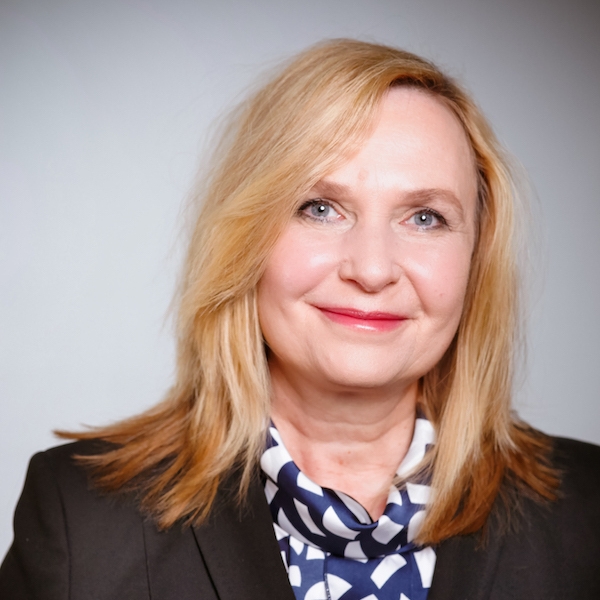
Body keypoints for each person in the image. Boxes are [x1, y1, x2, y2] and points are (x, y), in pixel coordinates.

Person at [1, 39, 599, 600]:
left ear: (476, 258)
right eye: (320, 208)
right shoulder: (81, 519)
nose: (371, 269)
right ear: (245, 240)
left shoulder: (589, 510)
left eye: (425, 218)